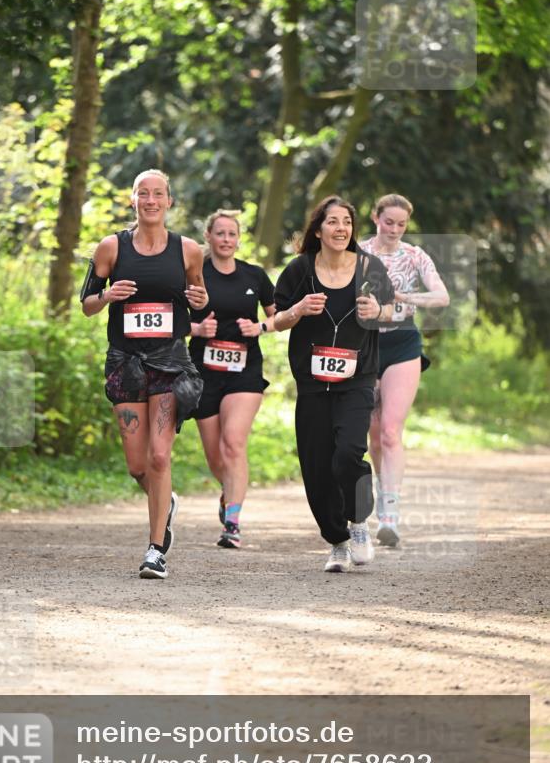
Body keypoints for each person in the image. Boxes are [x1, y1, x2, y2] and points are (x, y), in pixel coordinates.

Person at [80, 169, 207, 580]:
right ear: (132, 200)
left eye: (158, 194)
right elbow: (86, 303)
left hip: (170, 361)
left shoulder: (188, 251)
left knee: (158, 454)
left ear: (170, 201)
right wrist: (107, 296)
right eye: (143, 194)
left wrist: (201, 300)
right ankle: (164, 500)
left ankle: (155, 550)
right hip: (126, 362)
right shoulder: (110, 248)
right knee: (138, 466)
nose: (151, 200)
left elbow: (200, 304)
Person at [274, 196, 395, 573]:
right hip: (311, 382)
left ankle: (358, 521)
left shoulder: (369, 267)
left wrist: (377, 312)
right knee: (316, 465)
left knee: (347, 453)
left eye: (346, 222)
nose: (340, 228)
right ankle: (337, 541)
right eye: (332, 222)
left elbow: (391, 311)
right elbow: (276, 320)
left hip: (357, 378)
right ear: (318, 229)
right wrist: (297, 311)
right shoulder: (299, 271)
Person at [360, 193, 450, 547]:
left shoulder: (415, 256)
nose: (395, 229)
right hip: (366, 345)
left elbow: (441, 296)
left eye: (401, 224)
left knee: (391, 430)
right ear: (375, 218)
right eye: (389, 222)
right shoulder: (361, 254)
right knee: (373, 430)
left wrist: (404, 298)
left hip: (402, 344)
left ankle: (390, 512)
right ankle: (382, 490)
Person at [189, 210, 276, 549]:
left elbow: (279, 315)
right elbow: (174, 316)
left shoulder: (254, 276)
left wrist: (260, 327)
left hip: (245, 371)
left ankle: (233, 523)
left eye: (232, 234)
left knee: (234, 444)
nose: (226, 239)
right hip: (204, 373)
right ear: (208, 236)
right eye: (220, 233)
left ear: (240, 239)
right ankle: (229, 495)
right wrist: (197, 329)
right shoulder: (194, 275)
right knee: (216, 458)